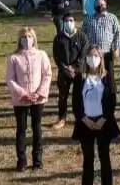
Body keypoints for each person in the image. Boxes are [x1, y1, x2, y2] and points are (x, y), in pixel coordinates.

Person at [71, 45, 120, 185]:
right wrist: (84, 119)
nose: (93, 59)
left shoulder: (107, 77)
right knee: (88, 157)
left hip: (102, 123)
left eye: (96, 56)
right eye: (90, 55)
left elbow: (112, 101)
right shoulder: (80, 78)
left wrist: (103, 119)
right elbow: (76, 102)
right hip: (85, 123)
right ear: (86, 58)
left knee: (104, 156)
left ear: (101, 59)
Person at [5, 26, 53, 171]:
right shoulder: (14, 57)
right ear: (20, 40)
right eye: (24, 37)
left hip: (37, 98)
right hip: (21, 100)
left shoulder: (41, 55)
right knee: (21, 129)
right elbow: (10, 79)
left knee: (36, 127)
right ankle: (21, 160)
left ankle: (37, 160)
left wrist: (39, 93)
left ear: (34, 39)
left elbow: (47, 75)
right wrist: (22, 93)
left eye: (30, 37)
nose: (27, 40)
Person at [50, 12, 88, 130]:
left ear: (75, 22)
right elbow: (56, 55)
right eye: (66, 21)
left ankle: (79, 118)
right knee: (62, 96)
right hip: (64, 72)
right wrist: (64, 68)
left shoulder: (82, 37)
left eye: (71, 20)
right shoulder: (58, 38)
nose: (69, 23)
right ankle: (61, 118)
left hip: (78, 72)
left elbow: (84, 54)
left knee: (78, 96)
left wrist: (75, 67)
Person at [81, 0, 120, 79]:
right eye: (98, 5)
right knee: (93, 75)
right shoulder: (88, 19)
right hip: (93, 54)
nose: (100, 7)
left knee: (109, 75)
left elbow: (118, 34)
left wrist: (116, 48)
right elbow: (83, 35)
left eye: (102, 5)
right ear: (94, 7)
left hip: (107, 52)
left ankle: (110, 91)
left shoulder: (112, 18)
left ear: (106, 5)